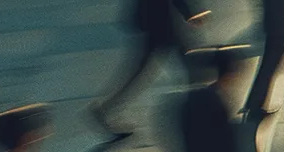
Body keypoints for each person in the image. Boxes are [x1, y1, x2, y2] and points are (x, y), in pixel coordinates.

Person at [89, 0, 210, 143]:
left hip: (155, 17)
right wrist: (188, 12)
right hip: (161, 20)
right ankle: (202, 114)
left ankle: (105, 111)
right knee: (192, 66)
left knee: (142, 72)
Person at [240, 0, 284, 123]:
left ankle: (254, 103)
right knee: (270, 65)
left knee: (268, 65)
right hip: (278, 23)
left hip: (274, 21)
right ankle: (255, 105)